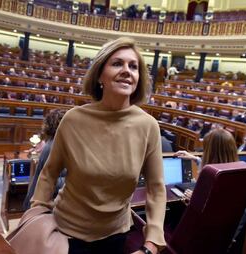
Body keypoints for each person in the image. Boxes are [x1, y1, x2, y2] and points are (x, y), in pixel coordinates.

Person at [30, 37, 166, 254]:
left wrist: (151, 244)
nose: (126, 70)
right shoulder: (73, 119)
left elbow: (156, 189)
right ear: (100, 75)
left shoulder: (148, 126)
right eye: (117, 63)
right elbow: (49, 173)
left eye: (133, 66)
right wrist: (38, 215)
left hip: (115, 235)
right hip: (65, 233)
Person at [23, 109, 68, 210]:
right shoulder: (54, 146)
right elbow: (53, 181)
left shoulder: (54, 142)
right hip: (41, 204)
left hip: (40, 199)